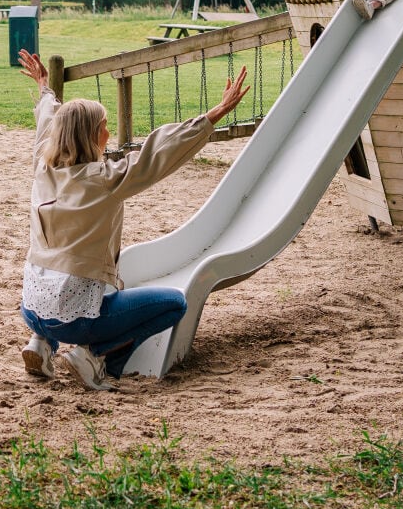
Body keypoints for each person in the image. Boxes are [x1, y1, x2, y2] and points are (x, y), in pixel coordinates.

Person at [16, 48, 248, 391]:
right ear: (92, 137)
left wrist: (44, 88)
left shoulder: (42, 165)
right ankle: (95, 356)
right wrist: (212, 116)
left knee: (68, 284)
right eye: (104, 128)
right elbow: (158, 154)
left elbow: (48, 119)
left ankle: (40, 342)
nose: (108, 135)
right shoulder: (104, 180)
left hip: (31, 309)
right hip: (75, 322)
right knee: (174, 305)